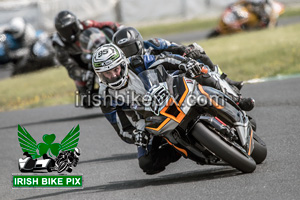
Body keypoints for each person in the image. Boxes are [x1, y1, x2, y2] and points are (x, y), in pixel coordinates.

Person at [91, 43, 255, 174]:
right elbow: (121, 128)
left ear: (122, 64)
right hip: (147, 120)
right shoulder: (106, 96)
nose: (112, 76)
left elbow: (165, 59)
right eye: (106, 74)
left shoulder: (136, 62)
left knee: (200, 71)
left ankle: (236, 100)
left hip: (169, 90)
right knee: (147, 163)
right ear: (99, 74)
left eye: (115, 70)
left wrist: (186, 64)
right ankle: (182, 148)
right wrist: (136, 136)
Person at [111, 26, 244, 90]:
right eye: (123, 51)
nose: (129, 54)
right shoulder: (121, 69)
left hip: (175, 72)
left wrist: (188, 51)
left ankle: (226, 82)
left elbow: (178, 48)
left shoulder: (154, 43)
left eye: (130, 49)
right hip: (153, 91)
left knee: (197, 50)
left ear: (139, 43)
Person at [52, 10, 120, 107]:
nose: (70, 33)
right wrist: (83, 74)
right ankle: (101, 96)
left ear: (76, 23)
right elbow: (70, 66)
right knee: (86, 101)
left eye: (72, 28)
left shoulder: (86, 24)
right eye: (65, 31)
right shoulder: (58, 43)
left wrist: (118, 27)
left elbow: (105, 25)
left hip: (96, 50)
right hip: (79, 61)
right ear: (59, 32)